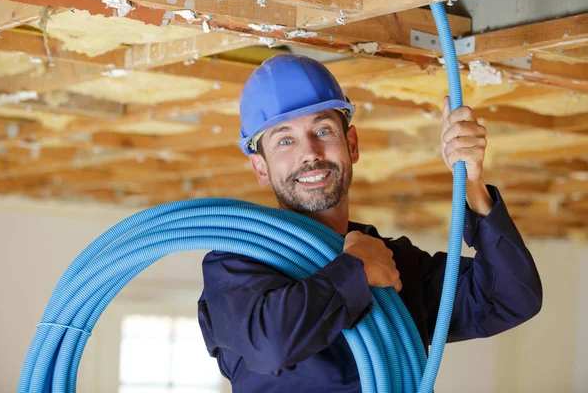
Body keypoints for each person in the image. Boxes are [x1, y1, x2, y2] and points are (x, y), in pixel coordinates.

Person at [197, 54, 542, 392]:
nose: (311, 152)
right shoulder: (238, 265)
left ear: (352, 144)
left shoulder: (395, 263)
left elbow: (510, 298)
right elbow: (269, 344)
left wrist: (473, 185)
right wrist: (356, 271)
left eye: (323, 129)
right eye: (285, 140)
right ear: (261, 168)